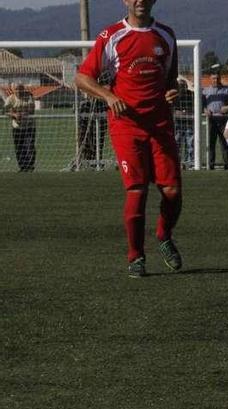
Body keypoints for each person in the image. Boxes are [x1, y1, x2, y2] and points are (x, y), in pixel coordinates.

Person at [74, 0, 183, 278]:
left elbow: (170, 82)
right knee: (137, 191)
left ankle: (163, 236)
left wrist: (173, 93)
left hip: (160, 125)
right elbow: (82, 77)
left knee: (172, 192)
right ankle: (136, 256)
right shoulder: (111, 36)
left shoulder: (167, 35)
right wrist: (110, 96)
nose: (140, 1)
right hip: (127, 126)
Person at [2, 83, 37, 172]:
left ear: (23, 89)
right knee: (19, 148)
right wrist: (14, 114)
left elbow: (32, 109)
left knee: (30, 146)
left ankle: (30, 166)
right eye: (16, 89)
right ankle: (22, 167)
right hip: (17, 127)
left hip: (29, 126)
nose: (19, 91)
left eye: (20, 89)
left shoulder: (29, 96)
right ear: (13, 90)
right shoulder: (10, 99)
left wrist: (23, 114)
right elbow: (4, 111)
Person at [202, 72, 228, 170]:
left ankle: (227, 164)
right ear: (210, 79)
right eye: (214, 78)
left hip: (223, 119)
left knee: (224, 142)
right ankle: (211, 164)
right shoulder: (205, 91)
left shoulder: (227, 90)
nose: (216, 80)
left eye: (217, 78)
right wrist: (205, 110)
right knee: (211, 143)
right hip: (211, 120)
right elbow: (202, 105)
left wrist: (227, 108)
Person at [172, 78, 194, 169]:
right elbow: (173, 110)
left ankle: (191, 162)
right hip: (178, 123)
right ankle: (178, 162)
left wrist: (185, 112)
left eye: (183, 86)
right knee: (177, 143)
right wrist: (179, 112)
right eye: (180, 86)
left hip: (189, 123)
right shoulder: (174, 95)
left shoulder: (191, 95)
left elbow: (194, 108)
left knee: (190, 143)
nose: (181, 87)